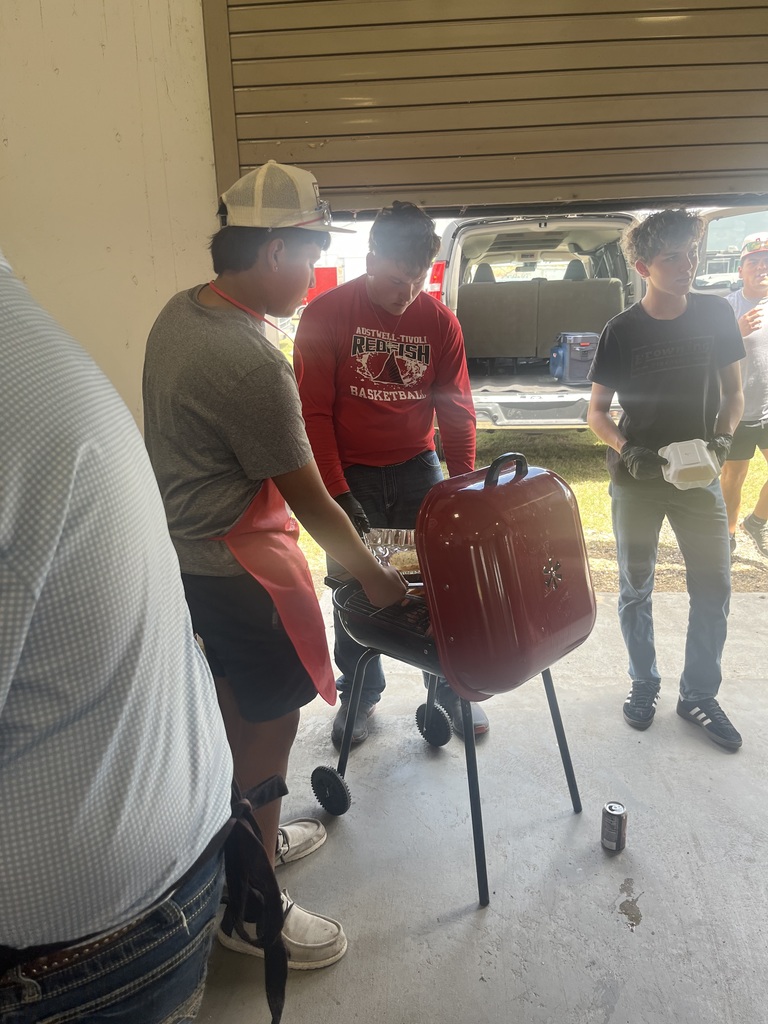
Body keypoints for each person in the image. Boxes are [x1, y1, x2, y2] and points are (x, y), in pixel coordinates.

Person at [142, 160, 406, 971]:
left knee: (234, 723)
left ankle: (247, 843)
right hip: (239, 575)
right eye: (315, 250)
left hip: (189, 562)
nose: (319, 270)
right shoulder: (249, 361)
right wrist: (372, 573)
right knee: (269, 729)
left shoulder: (183, 312)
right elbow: (316, 500)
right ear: (275, 250)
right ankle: (250, 908)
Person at [0, 248, 234, 1022]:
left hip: (96, 938)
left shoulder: (186, 322)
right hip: (134, 887)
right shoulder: (34, 335)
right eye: (305, 254)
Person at [293, 201, 486, 746]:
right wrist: (336, 493)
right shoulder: (325, 314)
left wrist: (462, 486)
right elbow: (315, 414)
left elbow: (456, 412)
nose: (405, 293)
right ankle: (360, 693)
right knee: (353, 586)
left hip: (417, 469)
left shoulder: (439, 323)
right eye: (395, 278)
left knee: (440, 584)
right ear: (370, 257)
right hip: (350, 470)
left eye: (417, 280)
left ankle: (451, 690)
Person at [587, 209, 745, 751]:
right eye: (672, 257)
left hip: (699, 475)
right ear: (642, 265)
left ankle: (699, 694)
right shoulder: (622, 330)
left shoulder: (717, 314)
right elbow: (598, 413)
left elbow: (734, 394)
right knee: (636, 587)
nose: (687, 265)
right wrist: (628, 452)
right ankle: (643, 682)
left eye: (691, 253)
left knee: (715, 586)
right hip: (638, 480)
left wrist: (722, 440)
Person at [720, 232, 768, 557]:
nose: (761, 267)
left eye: (767, 261)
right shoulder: (725, 306)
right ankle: (728, 535)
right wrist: (734, 333)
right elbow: (704, 357)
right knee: (733, 477)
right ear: (741, 270)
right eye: (754, 262)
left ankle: (758, 520)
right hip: (737, 410)